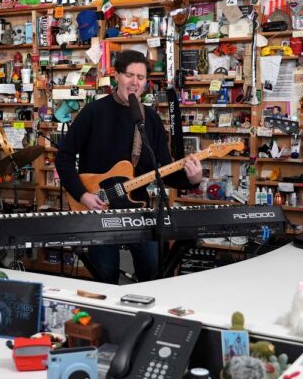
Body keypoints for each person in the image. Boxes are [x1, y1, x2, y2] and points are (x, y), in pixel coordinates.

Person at [56, 50, 203, 284]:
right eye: (129, 75)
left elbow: (164, 170)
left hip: (137, 209)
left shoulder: (150, 119)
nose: (135, 82)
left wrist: (192, 180)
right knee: (106, 276)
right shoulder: (93, 112)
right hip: (98, 209)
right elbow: (63, 158)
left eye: (141, 77)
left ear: (146, 83)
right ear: (116, 76)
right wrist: (82, 195)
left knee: (153, 271)